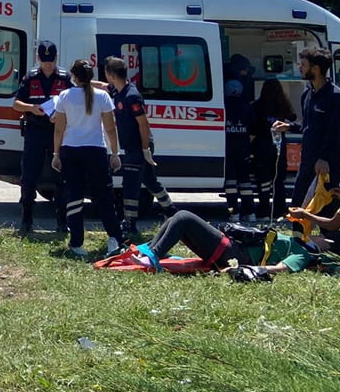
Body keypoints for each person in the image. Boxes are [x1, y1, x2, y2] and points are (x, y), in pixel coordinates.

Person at [51, 59, 125, 260]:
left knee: (74, 196)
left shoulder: (64, 96)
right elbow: (110, 128)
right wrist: (115, 153)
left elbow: (59, 128)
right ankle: (115, 238)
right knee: (104, 196)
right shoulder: (103, 96)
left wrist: (56, 154)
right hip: (96, 150)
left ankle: (76, 242)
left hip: (71, 149)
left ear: (73, 77)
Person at [101, 56, 178, 241]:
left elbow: (144, 125)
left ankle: (130, 224)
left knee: (130, 185)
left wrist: (145, 149)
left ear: (111, 75)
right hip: (132, 147)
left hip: (138, 147)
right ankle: (171, 211)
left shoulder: (131, 96)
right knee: (151, 182)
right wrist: (84, 81)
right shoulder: (118, 90)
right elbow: (103, 86)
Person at [132, 210, 317, 277]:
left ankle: (153, 256)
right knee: (176, 218)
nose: (317, 236)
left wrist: (241, 270)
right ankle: (150, 252)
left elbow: (281, 268)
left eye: (322, 239)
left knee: (184, 217)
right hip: (234, 248)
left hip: (235, 254)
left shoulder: (303, 253)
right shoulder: (295, 241)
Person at [273, 47, 340, 208]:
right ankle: (298, 234)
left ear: (316, 69)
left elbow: (336, 132)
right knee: (298, 205)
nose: (300, 68)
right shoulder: (307, 93)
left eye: (303, 65)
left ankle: (328, 233)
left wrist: (324, 158)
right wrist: (289, 126)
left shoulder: (336, 97)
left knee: (325, 207)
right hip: (307, 160)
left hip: (325, 163)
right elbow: (308, 125)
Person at [11, 39, 73, 233]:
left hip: (58, 132)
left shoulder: (65, 78)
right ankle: (26, 222)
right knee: (29, 177)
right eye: (44, 60)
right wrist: (32, 108)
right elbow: (16, 104)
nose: (47, 64)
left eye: (51, 60)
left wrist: (63, 116)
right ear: (38, 58)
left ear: (56, 58)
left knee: (61, 178)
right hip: (35, 131)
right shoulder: (30, 77)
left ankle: (62, 224)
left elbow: (75, 102)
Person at [250, 78, 296, 221]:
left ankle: (263, 210)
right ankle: (279, 210)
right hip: (279, 146)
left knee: (263, 180)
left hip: (261, 146)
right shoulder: (283, 105)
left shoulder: (257, 106)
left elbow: (252, 127)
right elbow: (293, 117)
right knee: (278, 180)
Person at [223, 54, 256, 222]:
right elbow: (253, 130)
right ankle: (250, 213)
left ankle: (233, 213)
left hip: (228, 147)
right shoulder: (246, 107)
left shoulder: (223, 106)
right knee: (245, 182)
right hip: (243, 147)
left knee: (230, 181)